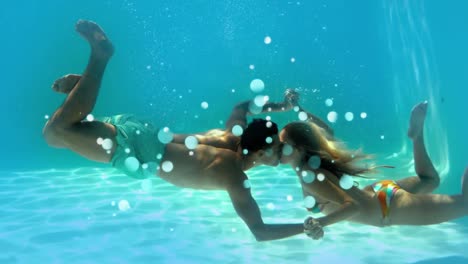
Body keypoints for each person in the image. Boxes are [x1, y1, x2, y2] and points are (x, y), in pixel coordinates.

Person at [42, 19, 310, 242]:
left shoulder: (233, 134)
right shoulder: (235, 174)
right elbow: (259, 231)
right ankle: (100, 59)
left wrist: (283, 106)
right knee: (60, 129)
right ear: (261, 153)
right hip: (141, 151)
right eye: (276, 149)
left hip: (143, 131)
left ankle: (82, 89)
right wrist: (309, 226)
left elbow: (243, 105)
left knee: (53, 136)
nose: (281, 154)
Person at [278, 101, 468, 239]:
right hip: (378, 192)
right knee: (429, 180)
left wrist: (321, 223)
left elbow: (353, 207)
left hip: (388, 209)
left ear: (299, 148)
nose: (277, 148)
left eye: (282, 143)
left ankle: (417, 135)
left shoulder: (309, 174)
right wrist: (299, 109)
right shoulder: (315, 162)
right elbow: (326, 131)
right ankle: (416, 136)